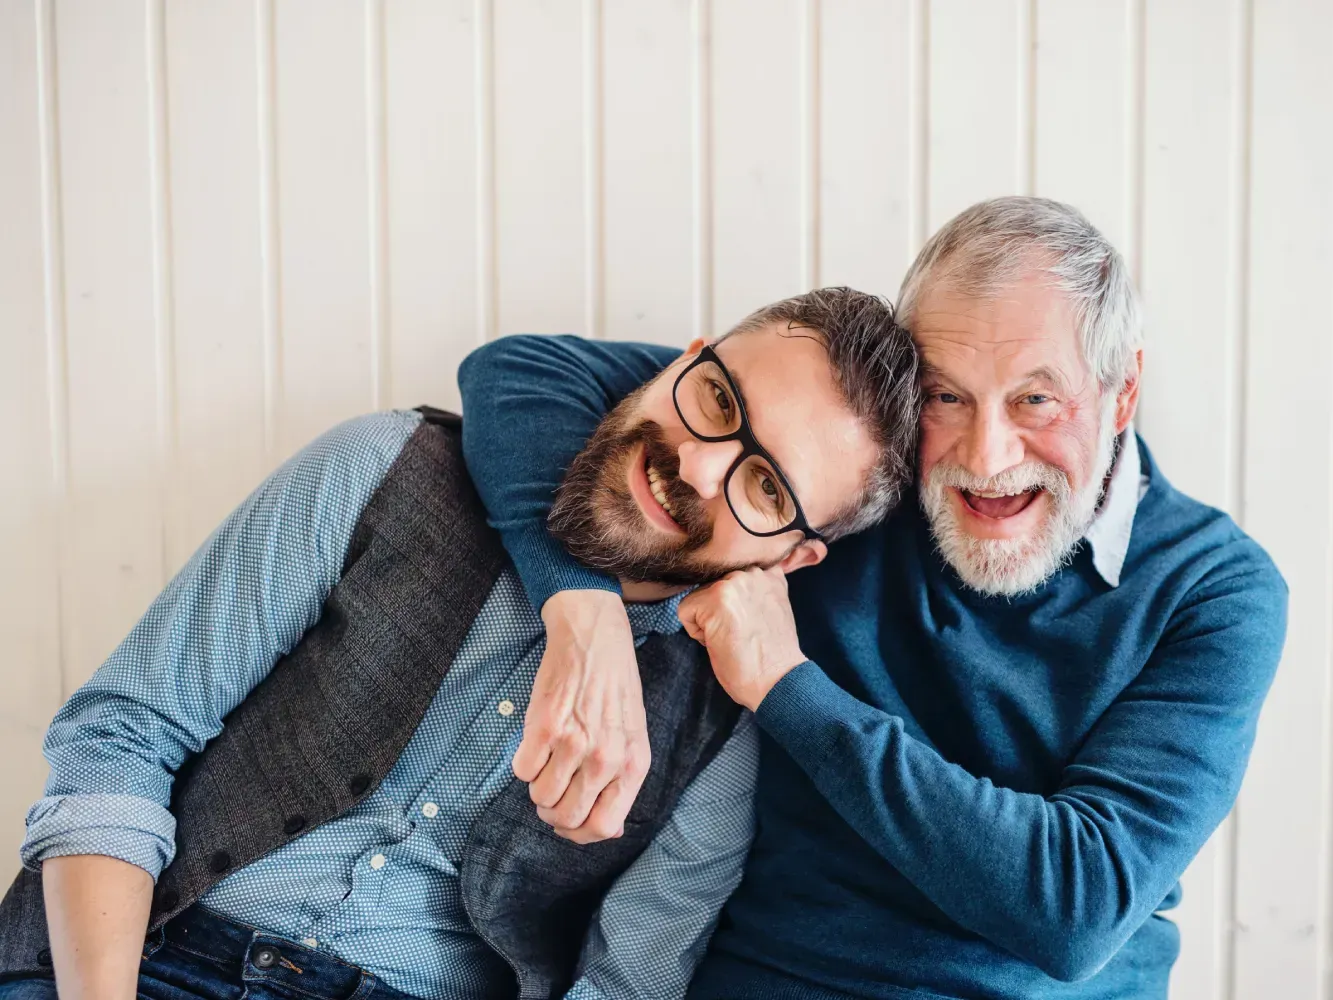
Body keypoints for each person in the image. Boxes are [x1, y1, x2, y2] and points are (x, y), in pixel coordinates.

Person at [456, 197, 1290, 998]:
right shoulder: (854, 474)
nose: (987, 458)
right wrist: (585, 614)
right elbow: (522, 374)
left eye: (1035, 400)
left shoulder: (1214, 590)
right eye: (946, 397)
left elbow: (1077, 908)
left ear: (1123, 392)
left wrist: (786, 686)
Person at [0, 287, 920, 1000]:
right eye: (717, 398)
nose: (697, 462)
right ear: (683, 361)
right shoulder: (382, 467)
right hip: (136, 957)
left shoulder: (727, 725)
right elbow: (121, 740)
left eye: (765, 487)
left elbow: (626, 982)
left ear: (792, 557)